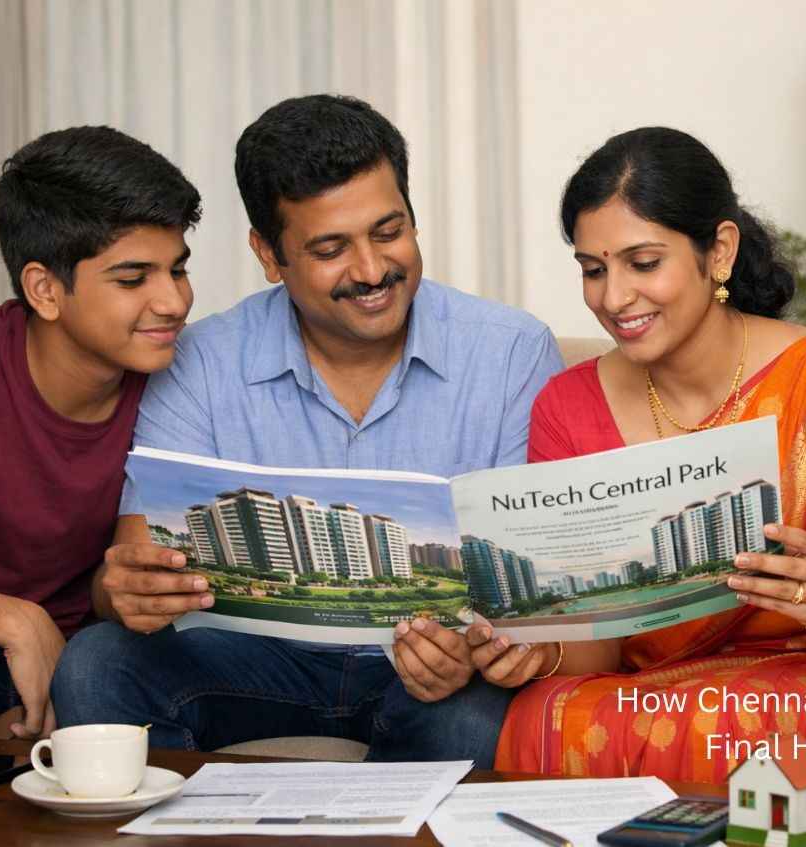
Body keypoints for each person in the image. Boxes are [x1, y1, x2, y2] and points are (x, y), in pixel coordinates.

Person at [51, 95, 562, 766]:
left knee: (479, 711)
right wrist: (127, 591)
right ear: (269, 253)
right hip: (251, 662)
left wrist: (473, 647)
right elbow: (136, 560)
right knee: (96, 662)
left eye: (389, 231)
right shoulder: (202, 360)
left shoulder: (510, 351)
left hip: (434, 671)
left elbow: (538, 582)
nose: (373, 269)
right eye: (330, 249)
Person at [470, 127, 806, 783]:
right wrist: (534, 652)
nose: (614, 298)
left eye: (643, 262)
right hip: (637, 692)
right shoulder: (566, 406)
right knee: (549, 710)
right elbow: (593, 649)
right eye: (593, 270)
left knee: (739, 715)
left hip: (802, 684)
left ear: (718, 251)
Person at [0, 126, 200, 753]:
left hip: (98, 663)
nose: (174, 301)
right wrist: (14, 620)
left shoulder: (186, 384)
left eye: (178, 269)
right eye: (133, 278)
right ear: (45, 290)